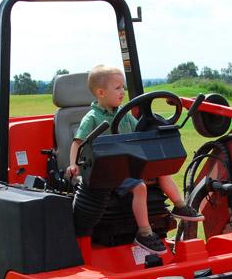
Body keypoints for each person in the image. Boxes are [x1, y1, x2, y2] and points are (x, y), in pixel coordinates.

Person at [66, 65, 203, 254]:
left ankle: (180, 206)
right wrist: (73, 165)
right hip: (107, 171)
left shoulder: (123, 115)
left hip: (128, 164)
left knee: (162, 172)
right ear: (101, 92)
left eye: (123, 87)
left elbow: (140, 132)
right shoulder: (92, 118)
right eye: (117, 88)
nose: (122, 91)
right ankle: (144, 232)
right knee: (140, 187)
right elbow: (77, 143)